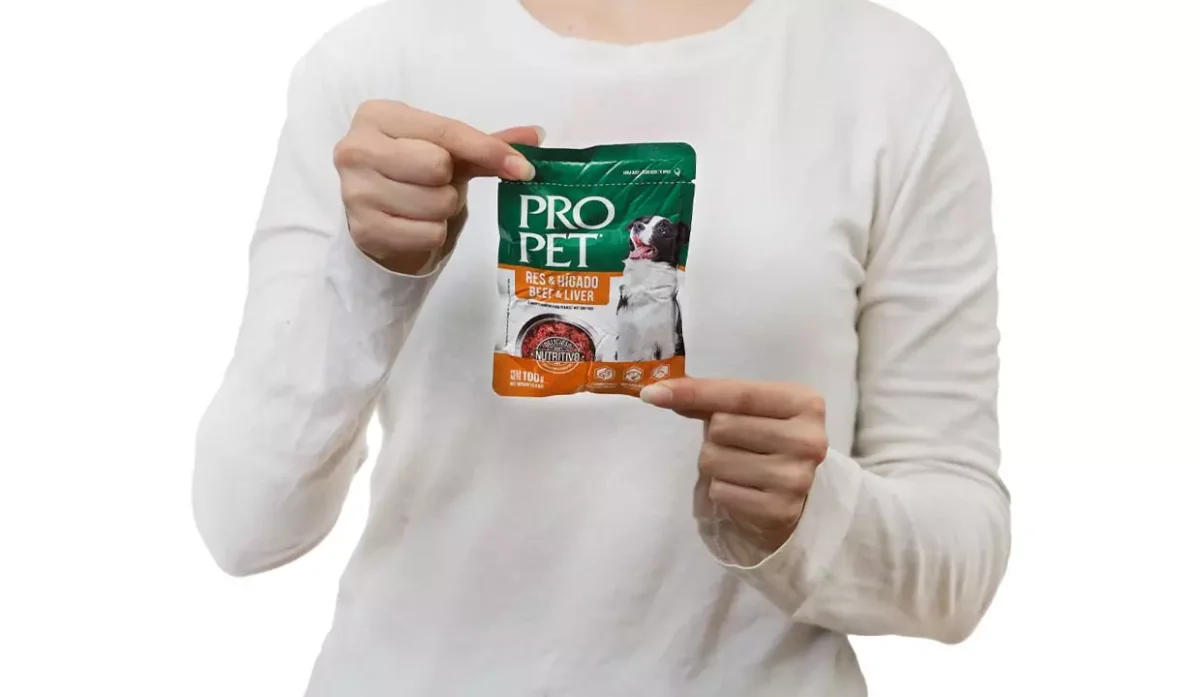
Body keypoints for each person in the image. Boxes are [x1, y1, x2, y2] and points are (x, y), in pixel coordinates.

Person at [192, 0, 1010, 694]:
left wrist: (814, 517)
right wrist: (372, 271)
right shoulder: (375, 64)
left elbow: (962, 568)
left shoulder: (887, 76)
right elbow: (246, 523)